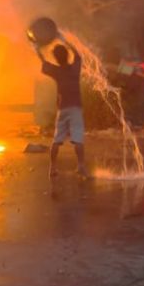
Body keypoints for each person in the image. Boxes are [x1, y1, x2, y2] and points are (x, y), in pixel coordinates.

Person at [35, 36, 89, 179]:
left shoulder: (56, 71)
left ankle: (52, 168)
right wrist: (63, 39)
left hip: (62, 109)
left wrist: (36, 47)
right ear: (67, 56)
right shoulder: (74, 69)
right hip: (76, 108)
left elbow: (43, 61)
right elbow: (77, 54)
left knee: (57, 140)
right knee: (78, 139)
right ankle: (81, 166)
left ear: (56, 58)